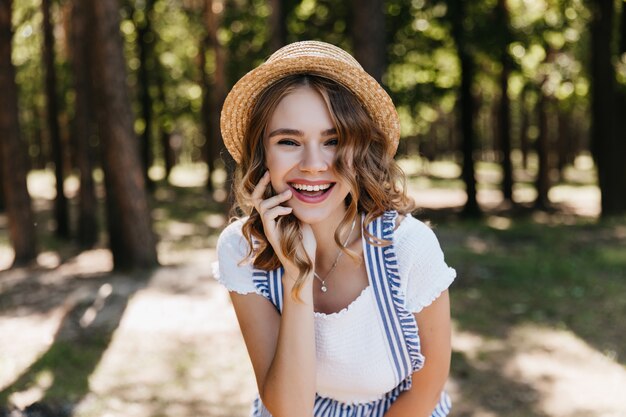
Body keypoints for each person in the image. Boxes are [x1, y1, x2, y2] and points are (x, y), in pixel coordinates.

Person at [214, 40, 456, 417]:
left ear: (359, 151)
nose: (313, 164)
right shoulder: (240, 249)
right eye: (289, 141)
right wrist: (297, 278)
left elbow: (427, 391)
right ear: (262, 154)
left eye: (333, 141)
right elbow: (289, 410)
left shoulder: (409, 247)